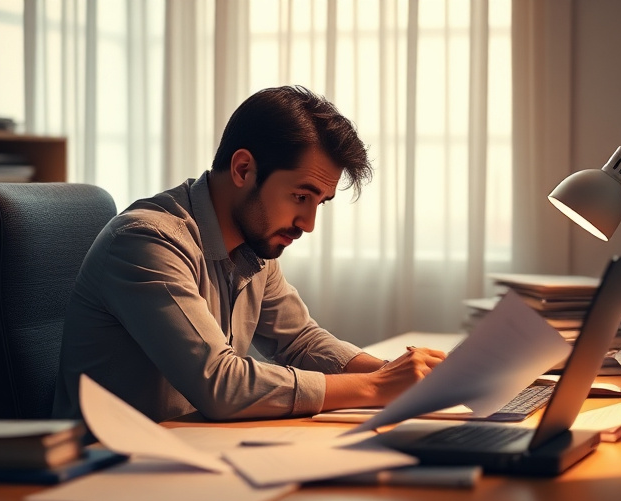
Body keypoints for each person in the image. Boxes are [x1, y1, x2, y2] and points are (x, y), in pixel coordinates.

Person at [52, 85, 446, 423]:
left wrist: (398, 374)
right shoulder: (146, 241)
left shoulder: (255, 246)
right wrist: (376, 386)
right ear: (243, 169)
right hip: (114, 468)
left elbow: (301, 341)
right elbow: (220, 383)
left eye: (320, 203)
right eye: (300, 196)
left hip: (194, 451)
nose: (308, 223)